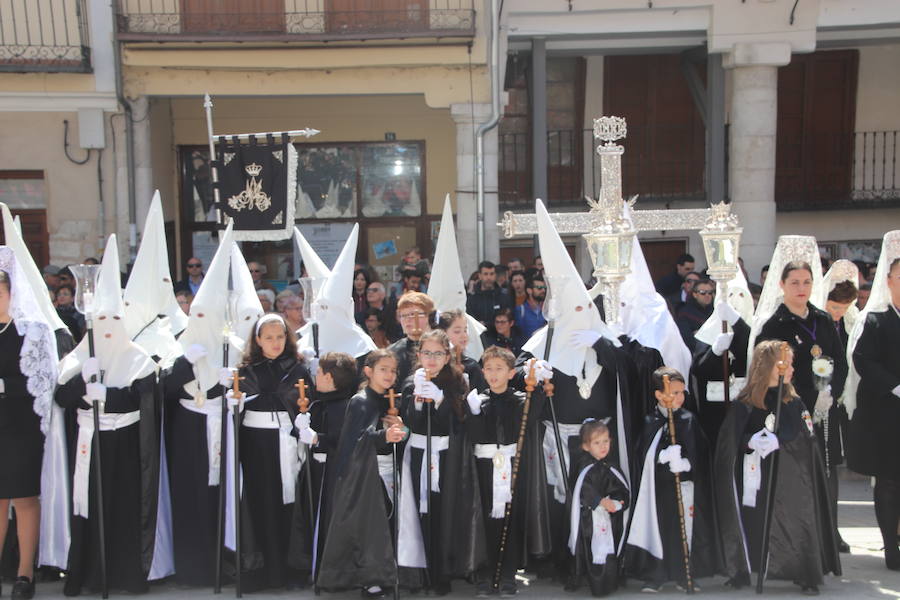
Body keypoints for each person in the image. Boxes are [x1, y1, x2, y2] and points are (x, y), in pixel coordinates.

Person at [55, 236, 162, 596]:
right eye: (101, 318)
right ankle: (88, 574)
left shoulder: (139, 360)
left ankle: (123, 575)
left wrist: (111, 396)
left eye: (115, 317)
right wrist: (84, 385)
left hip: (126, 443)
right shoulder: (82, 354)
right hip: (89, 443)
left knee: (123, 509)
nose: (108, 324)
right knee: (89, 509)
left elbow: (145, 399)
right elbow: (61, 396)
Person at [714, 340, 840, 594]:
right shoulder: (745, 403)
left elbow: (807, 440)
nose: (791, 368)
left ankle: (804, 571)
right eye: (786, 363)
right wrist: (748, 442)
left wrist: (780, 441)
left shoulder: (793, 403)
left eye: (791, 363)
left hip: (787, 477)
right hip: (753, 476)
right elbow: (729, 443)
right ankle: (743, 566)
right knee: (753, 518)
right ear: (768, 366)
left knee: (792, 518)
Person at [755, 260, 848, 553]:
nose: (801, 288)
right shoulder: (774, 325)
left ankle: (829, 532)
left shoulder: (822, 320)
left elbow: (839, 360)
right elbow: (769, 372)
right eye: (794, 282)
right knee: (799, 474)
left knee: (828, 470)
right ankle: (802, 538)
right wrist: (805, 398)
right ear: (781, 285)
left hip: (826, 407)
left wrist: (830, 392)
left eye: (806, 282)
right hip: (793, 410)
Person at [227, 314, 310, 591]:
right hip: (255, 446)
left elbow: (306, 405)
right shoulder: (246, 370)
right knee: (260, 503)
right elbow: (237, 408)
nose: (275, 342)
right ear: (258, 340)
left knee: (290, 503)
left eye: (280, 336)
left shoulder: (299, 369)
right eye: (269, 337)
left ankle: (290, 569)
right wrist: (234, 403)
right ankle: (261, 571)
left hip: (287, 444)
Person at [399, 329, 485, 595]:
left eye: (438, 353)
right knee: (419, 512)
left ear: (447, 356)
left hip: (446, 457)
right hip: (418, 454)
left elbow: (460, 421)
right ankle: (420, 571)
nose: (432, 359)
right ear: (419, 354)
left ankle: (443, 571)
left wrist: (440, 401)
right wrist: (414, 402)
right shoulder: (412, 382)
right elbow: (406, 421)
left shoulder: (457, 381)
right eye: (427, 353)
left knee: (443, 513)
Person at [314, 350, 407, 596]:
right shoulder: (360, 401)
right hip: (366, 473)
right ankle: (370, 579)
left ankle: (385, 574)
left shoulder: (388, 400)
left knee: (387, 522)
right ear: (368, 371)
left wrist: (400, 430)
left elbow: (397, 435)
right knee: (370, 527)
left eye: (393, 370)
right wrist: (383, 435)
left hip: (386, 469)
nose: (389, 374)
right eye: (383, 369)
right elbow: (354, 439)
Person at [624, 367, 718, 593]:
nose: (679, 398)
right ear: (658, 395)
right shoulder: (650, 421)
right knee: (659, 529)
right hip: (658, 491)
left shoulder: (688, 420)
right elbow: (642, 454)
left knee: (683, 530)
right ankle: (655, 574)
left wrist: (686, 464)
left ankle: (684, 574)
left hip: (684, 487)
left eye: (681, 393)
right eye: (673, 393)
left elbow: (701, 453)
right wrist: (660, 456)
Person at [0, 253, 59, 600]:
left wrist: (5, 386)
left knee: (23, 498)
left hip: (22, 424)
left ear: (13, 291)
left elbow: (43, 379)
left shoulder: (32, 330)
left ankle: (25, 574)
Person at [846, 234, 900, 571]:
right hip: (887, 414)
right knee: (890, 481)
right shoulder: (877, 320)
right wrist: (895, 387)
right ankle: (891, 547)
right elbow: (863, 360)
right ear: (890, 281)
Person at [464, 346, 527, 597]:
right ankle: (485, 572)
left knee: (509, 520)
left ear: (511, 373)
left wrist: (540, 387)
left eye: (499, 369)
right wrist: (475, 413)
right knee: (486, 520)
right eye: (488, 368)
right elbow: (475, 435)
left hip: (511, 465)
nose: (493, 374)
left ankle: (508, 572)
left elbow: (528, 421)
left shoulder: (520, 399)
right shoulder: (479, 400)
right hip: (484, 466)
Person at [293, 352, 359, 583]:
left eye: (319, 372)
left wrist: (317, 438)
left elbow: (341, 441)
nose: (315, 376)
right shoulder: (320, 402)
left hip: (331, 476)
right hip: (315, 472)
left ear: (330, 378)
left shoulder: (344, 406)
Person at [566, 420, 629, 597]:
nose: (603, 446)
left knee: (611, 548)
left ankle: (612, 579)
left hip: (611, 517)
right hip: (589, 519)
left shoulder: (611, 464)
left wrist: (619, 501)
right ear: (586, 446)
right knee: (593, 550)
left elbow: (620, 487)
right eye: (597, 443)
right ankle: (596, 582)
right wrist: (599, 501)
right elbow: (581, 488)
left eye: (606, 441)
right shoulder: (584, 465)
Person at [387, 291, 434, 384]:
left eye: (413, 314)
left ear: (428, 316)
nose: (407, 319)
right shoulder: (392, 352)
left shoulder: (441, 347)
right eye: (403, 315)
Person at [437, 308, 486, 393]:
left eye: (465, 330)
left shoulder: (472, 366)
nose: (464, 335)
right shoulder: (433, 364)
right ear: (443, 333)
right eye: (457, 331)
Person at [466, 261, 511, 326]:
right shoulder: (472, 299)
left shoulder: (504, 297)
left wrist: (486, 324)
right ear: (480, 276)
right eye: (486, 274)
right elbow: (470, 321)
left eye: (491, 274)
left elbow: (507, 318)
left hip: (498, 334)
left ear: (495, 275)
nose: (489, 277)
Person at [674, 278, 715, 351]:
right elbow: (686, 337)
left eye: (710, 293)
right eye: (703, 292)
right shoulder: (685, 313)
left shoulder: (716, 311)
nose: (707, 295)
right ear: (695, 294)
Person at [514, 273, 546, 339]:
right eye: (539, 288)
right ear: (529, 291)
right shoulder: (520, 310)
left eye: (544, 288)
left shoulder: (546, 310)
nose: (543, 290)